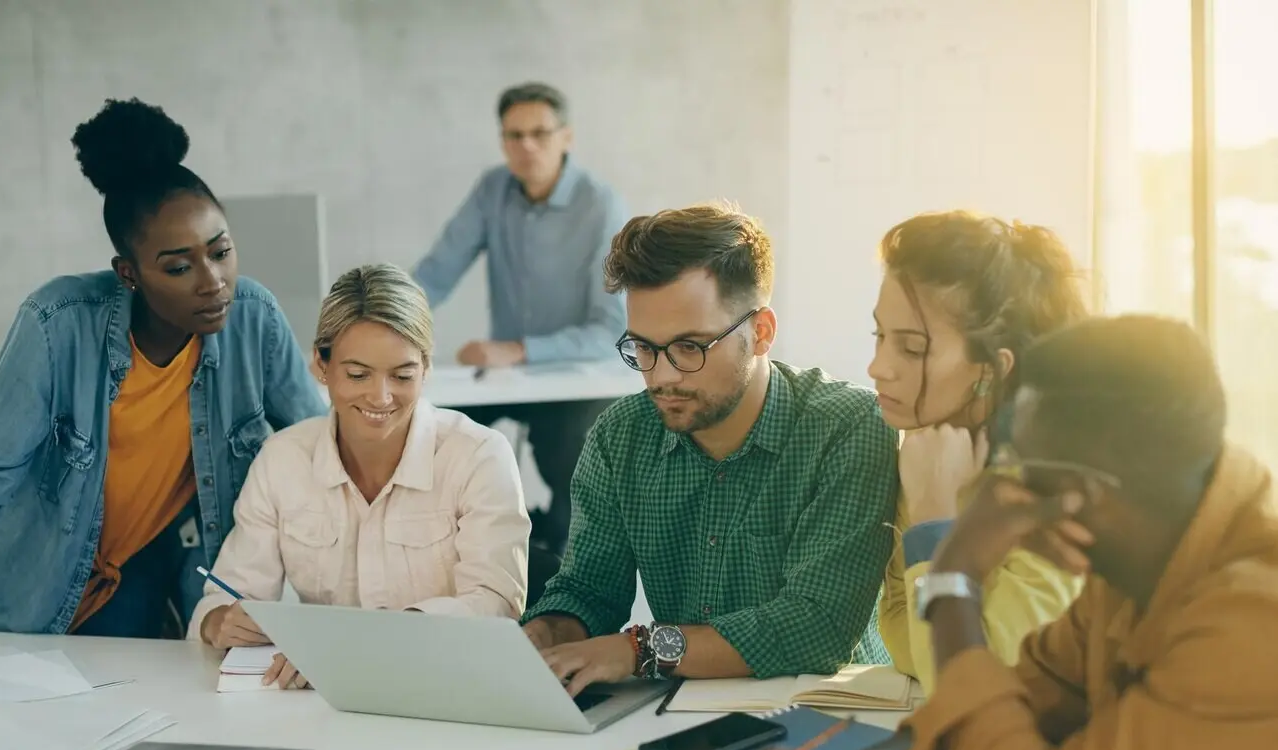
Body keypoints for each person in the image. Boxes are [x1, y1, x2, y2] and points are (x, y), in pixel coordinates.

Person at [716, 316, 1278, 750]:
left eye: (1017, 468)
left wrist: (954, 576)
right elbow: (1013, 712)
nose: (1000, 487)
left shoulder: (1252, 624)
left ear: (1078, 497)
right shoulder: (1147, 558)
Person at [0, 98, 325, 663]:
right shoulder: (57, 325)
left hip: (143, 583)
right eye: (178, 266)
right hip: (30, 591)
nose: (213, 281)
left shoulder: (255, 318)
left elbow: (324, 455)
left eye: (221, 252)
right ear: (129, 273)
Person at [521, 204, 898, 695]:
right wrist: (547, 635)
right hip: (679, 718)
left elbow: (815, 628)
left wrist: (640, 649)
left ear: (760, 333)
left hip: (828, 714)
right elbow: (589, 590)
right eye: (643, 348)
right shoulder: (620, 437)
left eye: (690, 347)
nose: (662, 376)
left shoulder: (849, 428)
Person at [192, 265, 531, 689]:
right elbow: (226, 596)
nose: (381, 396)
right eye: (357, 375)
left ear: (426, 368)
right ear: (320, 363)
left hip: (445, 690)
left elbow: (496, 604)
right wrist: (220, 621)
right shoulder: (282, 460)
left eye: (403, 375)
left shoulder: (479, 456)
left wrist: (355, 645)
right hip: (323, 705)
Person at [869, 211, 1089, 689]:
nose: (877, 367)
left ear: (990, 369)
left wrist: (933, 523)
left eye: (911, 348)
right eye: (879, 336)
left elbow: (968, 685)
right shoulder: (930, 450)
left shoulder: (1057, 491)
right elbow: (906, 644)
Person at [412, 82, 629, 555]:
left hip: (575, 381)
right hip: (507, 379)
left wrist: (520, 349)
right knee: (435, 430)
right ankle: (458, 553)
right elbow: (437, 273)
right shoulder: (493, 190)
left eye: (539, 133)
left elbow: (611, 329)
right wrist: (378, 325)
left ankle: (561, 564)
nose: (526, 145)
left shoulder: (601, 205)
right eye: (513, 135)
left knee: (570, 451)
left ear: (566, 136)